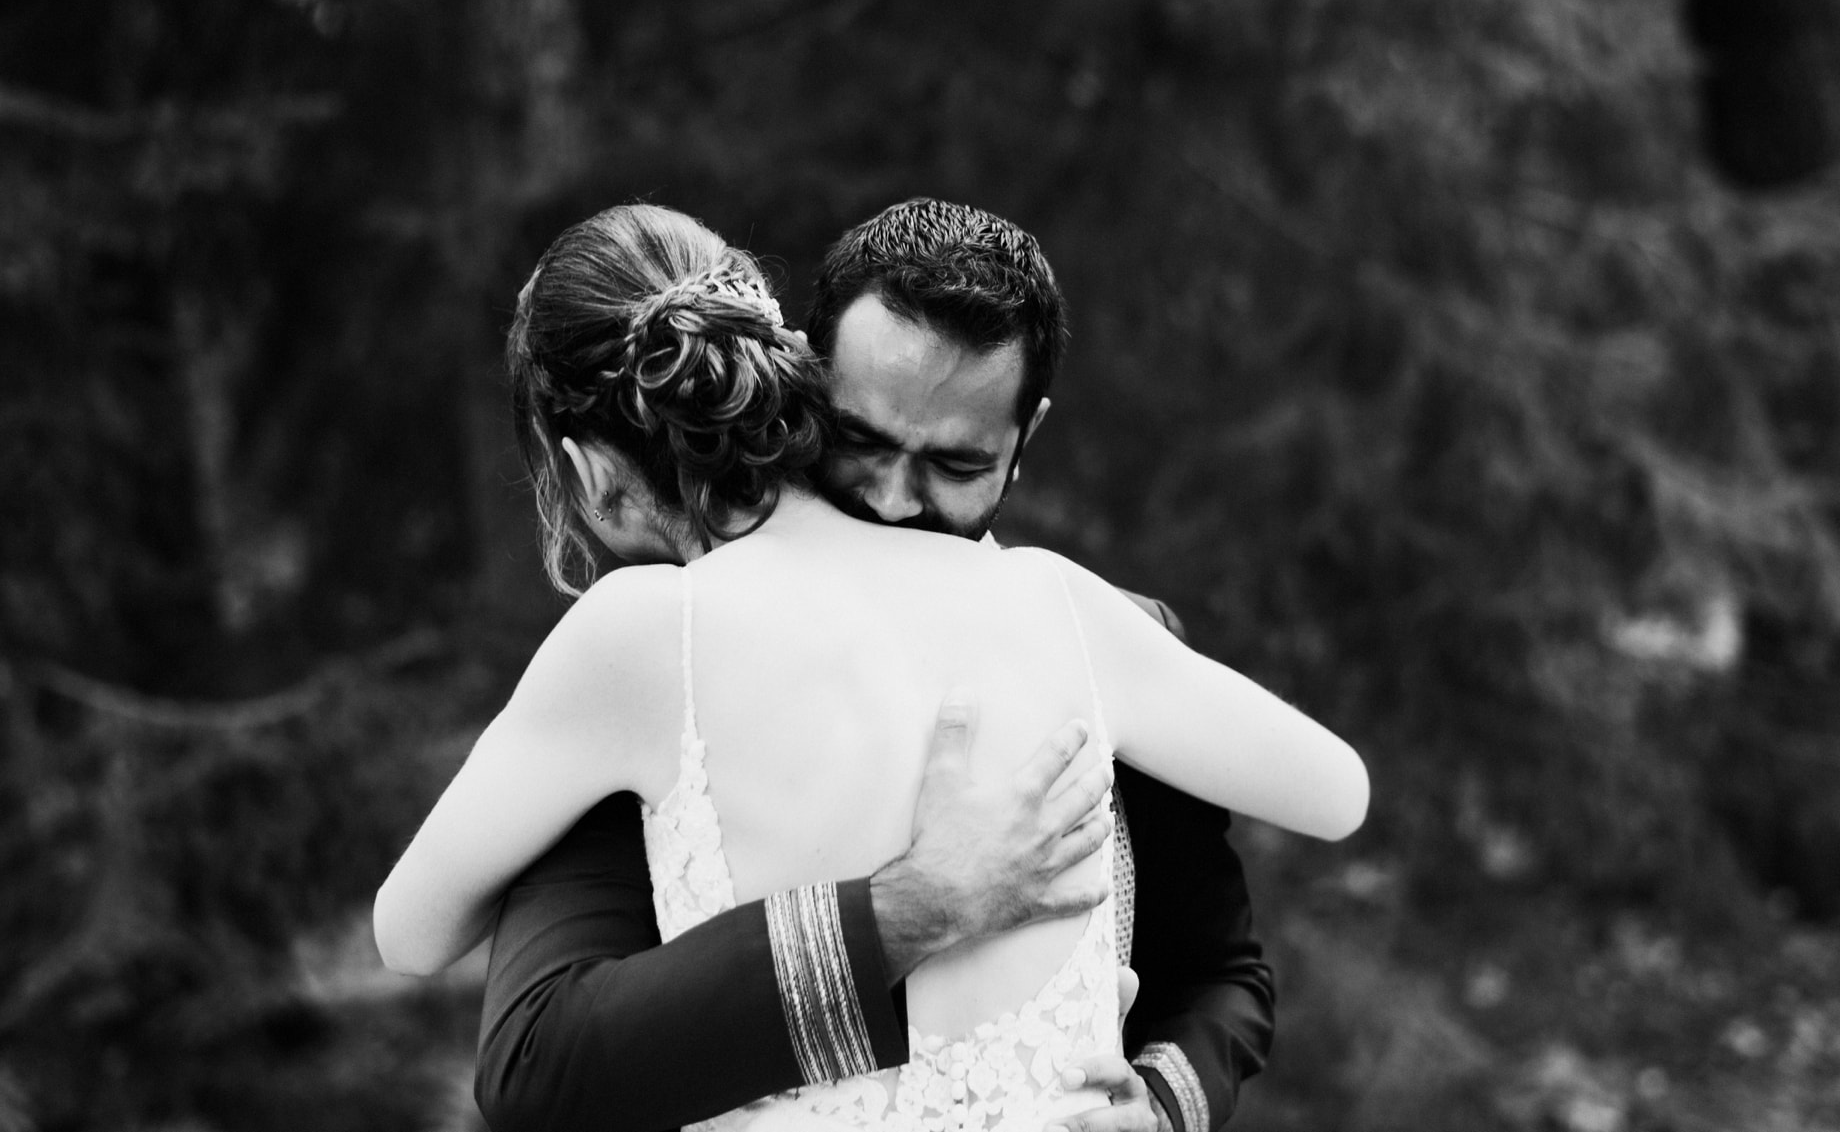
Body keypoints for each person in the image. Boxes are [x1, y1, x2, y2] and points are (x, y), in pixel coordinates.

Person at [373, 202, 1367, 1132]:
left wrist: (1161, 1102)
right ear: (798, 375)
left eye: (955, 463)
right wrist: (911, 908)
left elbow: (407, 934)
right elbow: (1335, 792)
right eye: (860, 441)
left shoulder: (641, 637)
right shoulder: (1064, 609)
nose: (894, 500)